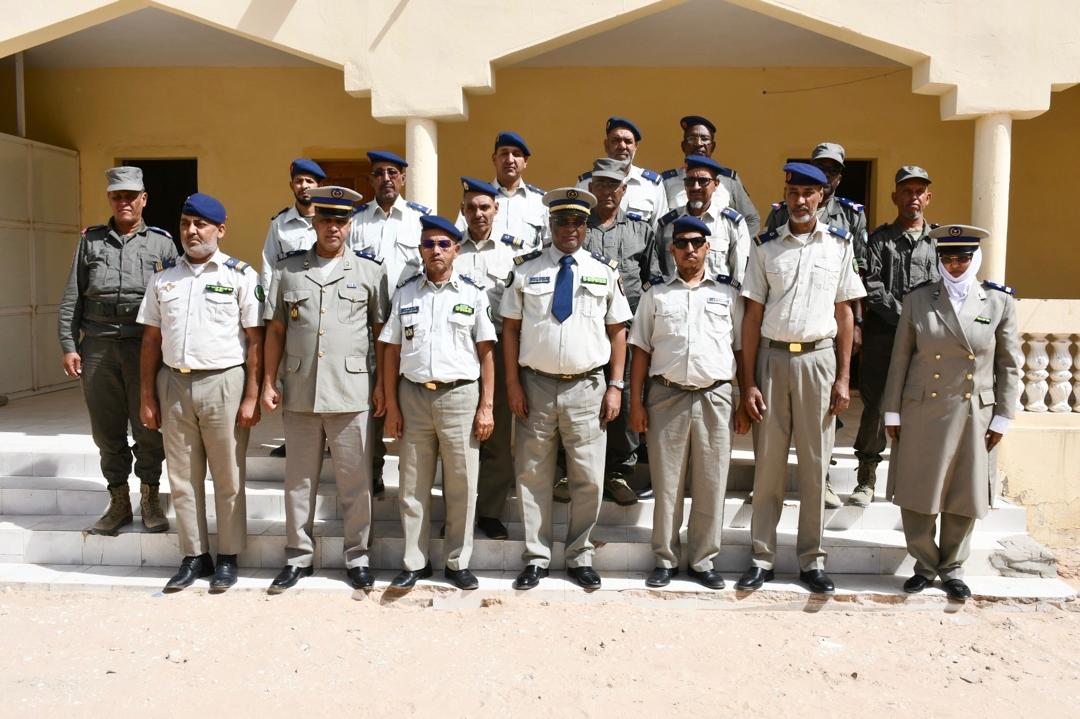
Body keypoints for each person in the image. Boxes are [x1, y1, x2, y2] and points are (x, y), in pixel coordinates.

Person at [735, 163, 865, 595]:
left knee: (814, 467)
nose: (801, 200)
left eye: (809, 193)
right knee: (768, 468)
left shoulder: (839, 245)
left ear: (822, 196)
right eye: (794, 192)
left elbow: (844, 313)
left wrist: (844, 377)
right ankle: (762, 557)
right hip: (772, 361)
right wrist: (748, 382)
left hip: (819, 361)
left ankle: (812, 559)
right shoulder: (765, 247)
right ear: (786, 195)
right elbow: (751, 317)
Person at [501, 188, 632, 591]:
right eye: (562, 221)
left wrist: (615, 386)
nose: (569, 228)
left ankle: (580, 555)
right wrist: (512, 384)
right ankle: (536, 557)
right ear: (551, 223)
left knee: (588, 477)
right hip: (535, 386)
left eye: (577, 221)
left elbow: (618, 332)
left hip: (587, 387)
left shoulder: (603, 271)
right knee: (533, 476)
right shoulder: (525, 270)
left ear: (586, 226)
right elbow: (510, 330)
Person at [882, 225, 1021, 601]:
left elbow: (1009, 365)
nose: (955, 265)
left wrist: (1003, 416)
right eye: (947, 258)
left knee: (964, 490)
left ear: (975, 259)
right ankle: (925, 565)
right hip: (923, 408)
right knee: (918, 488)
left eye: (962, 258)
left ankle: (953, 567)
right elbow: (900, 359)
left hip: (974, 410)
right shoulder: (919, 299)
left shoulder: (998, 302)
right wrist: (892, 411)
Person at [262, 186, 389, 593]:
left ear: (350, 225)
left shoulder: (370, 272)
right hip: (301, 389)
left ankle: (358, 556)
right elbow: (275, 330)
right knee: (299, 482)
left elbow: (381, 334)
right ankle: (298, 557)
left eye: (340, 221)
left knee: (355, 482)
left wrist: (382, 387)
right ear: (314, 222)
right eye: (326, 220)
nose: (333, 227)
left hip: (352, 391)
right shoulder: (288, 270)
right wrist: (268, 381)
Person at [137, 193, 263, 592]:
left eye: (201, 224)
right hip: (174, 383)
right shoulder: (163, 278)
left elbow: (255, 340)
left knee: (228, 476)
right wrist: (146, 395)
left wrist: (252, 395)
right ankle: (194, 556)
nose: (191, 231)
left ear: (220, 230)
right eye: (185, 224)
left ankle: (227, 556)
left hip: (224, 382)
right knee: (182, 478)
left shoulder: (240, 276)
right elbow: (151, 339)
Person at [629, 216, 749, 590]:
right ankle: (665, 558)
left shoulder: (728, 294)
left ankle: (702, 560)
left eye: (697, 242)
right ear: (672, 250)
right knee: (667, 484)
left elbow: (741, 349)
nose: (690, 249)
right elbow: (640, 350)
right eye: (682, 243)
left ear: (708, 247)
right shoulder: (656, 294)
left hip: (716, 395)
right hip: (666, 395)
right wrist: (636, 402)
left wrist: (745, 396)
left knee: (712, 481)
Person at [57, 166, 177, 536]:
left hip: (145, 347)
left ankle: (151, 498)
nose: (124, 202)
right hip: (98, 346)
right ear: (110, 199)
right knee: (106, 430)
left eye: (130, 196)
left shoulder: (162, 244)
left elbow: (175, 301)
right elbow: (72, 297)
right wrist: (69, 345)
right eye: (117, 196)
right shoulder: (90, 241)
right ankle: (119, 501)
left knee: (148, 427)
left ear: (144, 199)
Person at [380, 215, 497, 590]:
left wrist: (486, 406)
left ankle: (457, 561)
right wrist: (392, 406)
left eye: (444, 244)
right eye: (429, 244)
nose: (436, 250)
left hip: (460, 396)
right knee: (412, 485)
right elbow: (391, 351)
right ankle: (415, 562)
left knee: (461, 485)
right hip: (413, 396)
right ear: (420, 250)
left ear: (456, 250)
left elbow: (487, 353)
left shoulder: (473, 293)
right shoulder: (406, 293)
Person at [765, 142, 869, 508]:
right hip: (781, 341)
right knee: (775, 434)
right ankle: (770, 488)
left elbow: (855, 276)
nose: (826, 174)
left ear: (835, 180)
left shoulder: (849, 219)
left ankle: (821, 480)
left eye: (832, 170)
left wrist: (857, 323)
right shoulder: (779, 217)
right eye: (820, 167)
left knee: (822, 422)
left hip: (824, 335)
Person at [850, 165, 939, 507]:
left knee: (922, 405)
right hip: (884, 337)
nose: (912, 197)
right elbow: (871, 285)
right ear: (894, 197)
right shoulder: (880, 240)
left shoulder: (938, 243)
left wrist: (921, 323)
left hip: (926, 340)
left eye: (919, 192)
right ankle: (866, 478)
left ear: (928, 198)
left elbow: (944, 288)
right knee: (877, 405)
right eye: (906, 191)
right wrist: (906, 317)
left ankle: (914, 479)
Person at [454, 177, 532, 540]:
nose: (478, 214)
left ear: (496, 209)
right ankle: (458, 512)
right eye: (471, 207)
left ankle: (489, 512)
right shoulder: (451, 249)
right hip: (457, 349)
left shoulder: (514, 253)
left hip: (499, 349)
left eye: (484, 207)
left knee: (497, 434)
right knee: (458, 437)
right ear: (462, 210)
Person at [349, 149, 429, 495]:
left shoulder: (420, 219)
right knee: (370, 400)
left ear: (403, 178)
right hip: (364, 326)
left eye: (392, 173)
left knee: (410, 398)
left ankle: (416, 476)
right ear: (371, 179)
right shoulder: (355, 220)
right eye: (379, 173)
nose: (386, 179)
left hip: (409, 325)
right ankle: (373, 471)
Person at [583, 157, 655, 505]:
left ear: (624, 190)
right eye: (601, 184)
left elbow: (653, 281)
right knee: (582, 399)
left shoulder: (642, 231)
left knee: (624, 400)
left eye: (614, 185)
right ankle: (573, 468)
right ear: (591, 188)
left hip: (626, 332)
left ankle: (618, 473)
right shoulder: (578, 227)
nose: (607, 191)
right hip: (584, 330)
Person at [261, 158, 325, 459]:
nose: (304, 186)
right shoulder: (280, 224)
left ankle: (328, 437)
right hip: (291, 310)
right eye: (299, 181)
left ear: (319, 186)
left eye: (310, 181)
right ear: (292, 186)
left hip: (325, 308)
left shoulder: (330, 218)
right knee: (292, 373)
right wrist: (271, 309)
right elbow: (269, 267)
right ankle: (294, 437)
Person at [653, 155, 751, 284]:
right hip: (675, 294)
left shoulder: (732, 223)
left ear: (716, 184)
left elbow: (740, 275)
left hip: (718, 295)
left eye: (703, 181)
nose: (696, 187)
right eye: (690, 181)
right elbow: (658, 268)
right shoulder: (667, 223)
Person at [659, 115, 761, 237]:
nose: (699, 144)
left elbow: (751, 220)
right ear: (683, 146)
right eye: (692, 138)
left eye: (705, 139)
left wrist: (737, 244)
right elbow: (658, 224)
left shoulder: (729, 181)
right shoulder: (667, 182)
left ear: (713, 146)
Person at [454, 132, 546, 248]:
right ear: (494, 159)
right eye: (504, 153)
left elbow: (549, 244)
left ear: (525, 161)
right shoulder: (476, 200)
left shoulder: (541, 201)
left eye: (516, 154)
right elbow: (459, 240)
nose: (510, 160)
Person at [576, 117, 667, 225]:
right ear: (606, 145)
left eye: (628, 142)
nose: (622, 146)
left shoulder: (652, 185)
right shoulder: (585, 184)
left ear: (636, 146)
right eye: (616, 140)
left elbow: (660, 231)